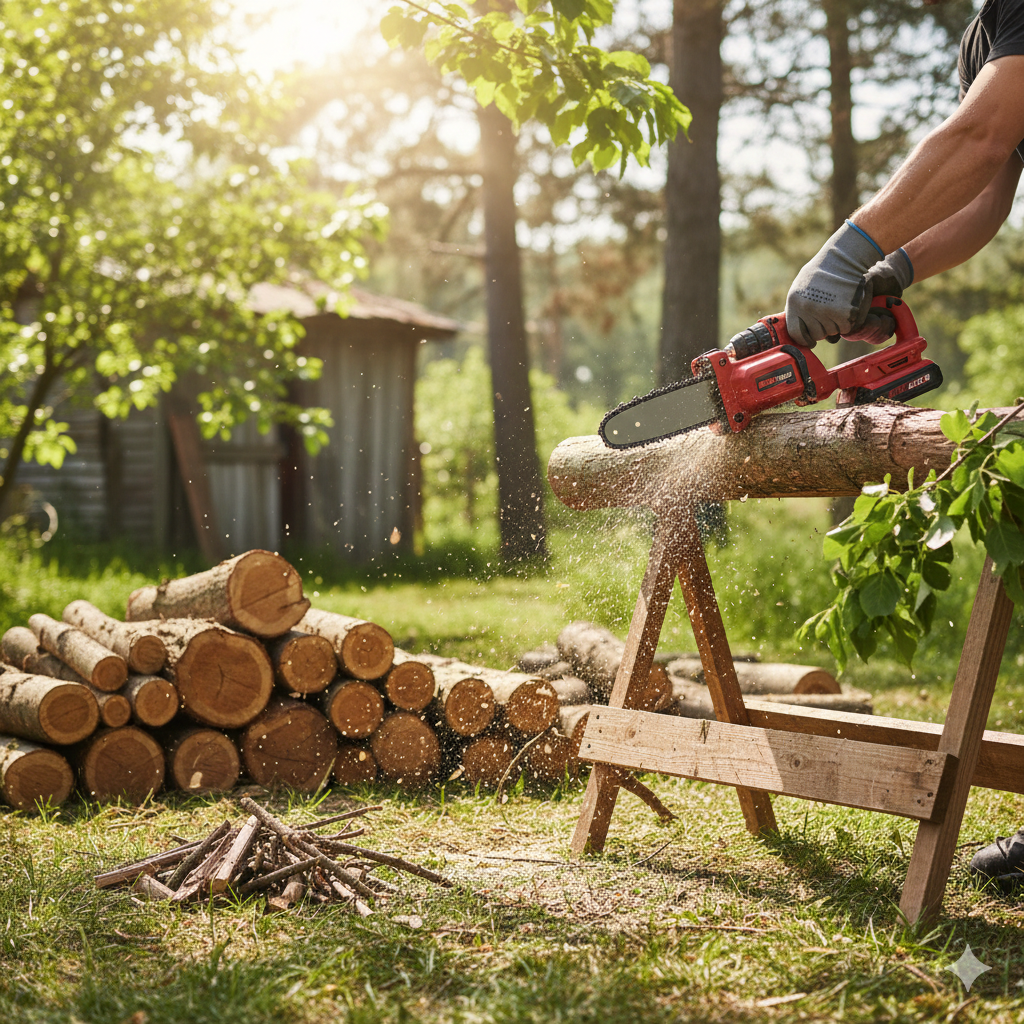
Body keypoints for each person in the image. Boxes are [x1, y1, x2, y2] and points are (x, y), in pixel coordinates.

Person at [784, 0, 1024, 894]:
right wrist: (898, 269)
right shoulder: (988, 29)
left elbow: (983, 135)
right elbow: (991, 188)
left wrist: (850, 246)